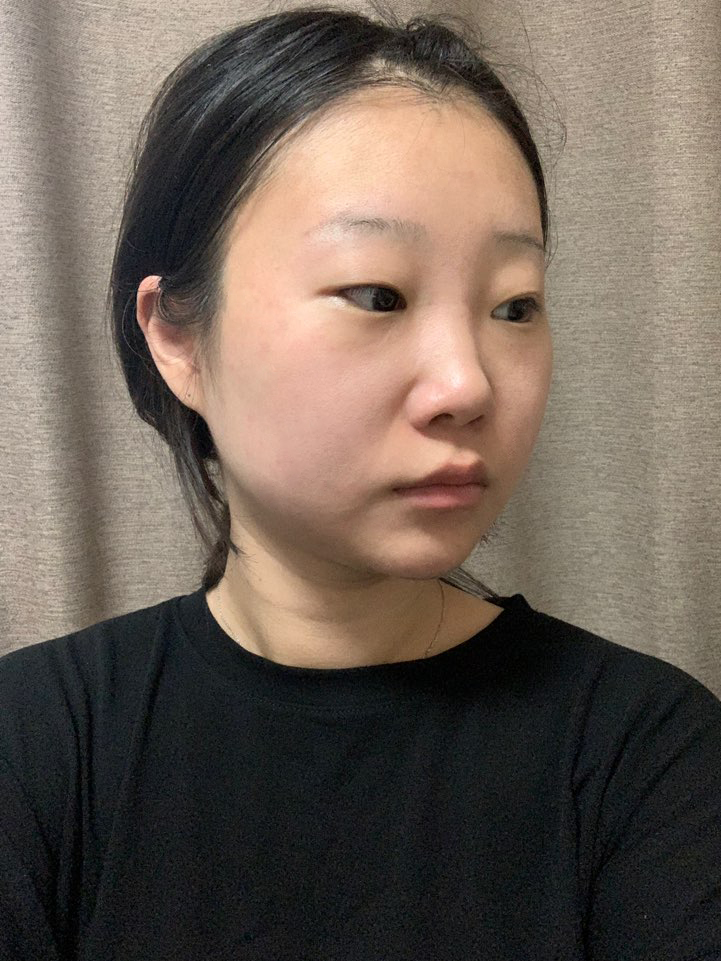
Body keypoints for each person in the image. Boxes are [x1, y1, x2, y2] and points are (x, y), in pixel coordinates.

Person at [1, 4, 719, 959]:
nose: (467, 385)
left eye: (514, 305)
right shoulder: (36, 744)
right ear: (177, 336)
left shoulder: (647, 751)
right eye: (376, 294)